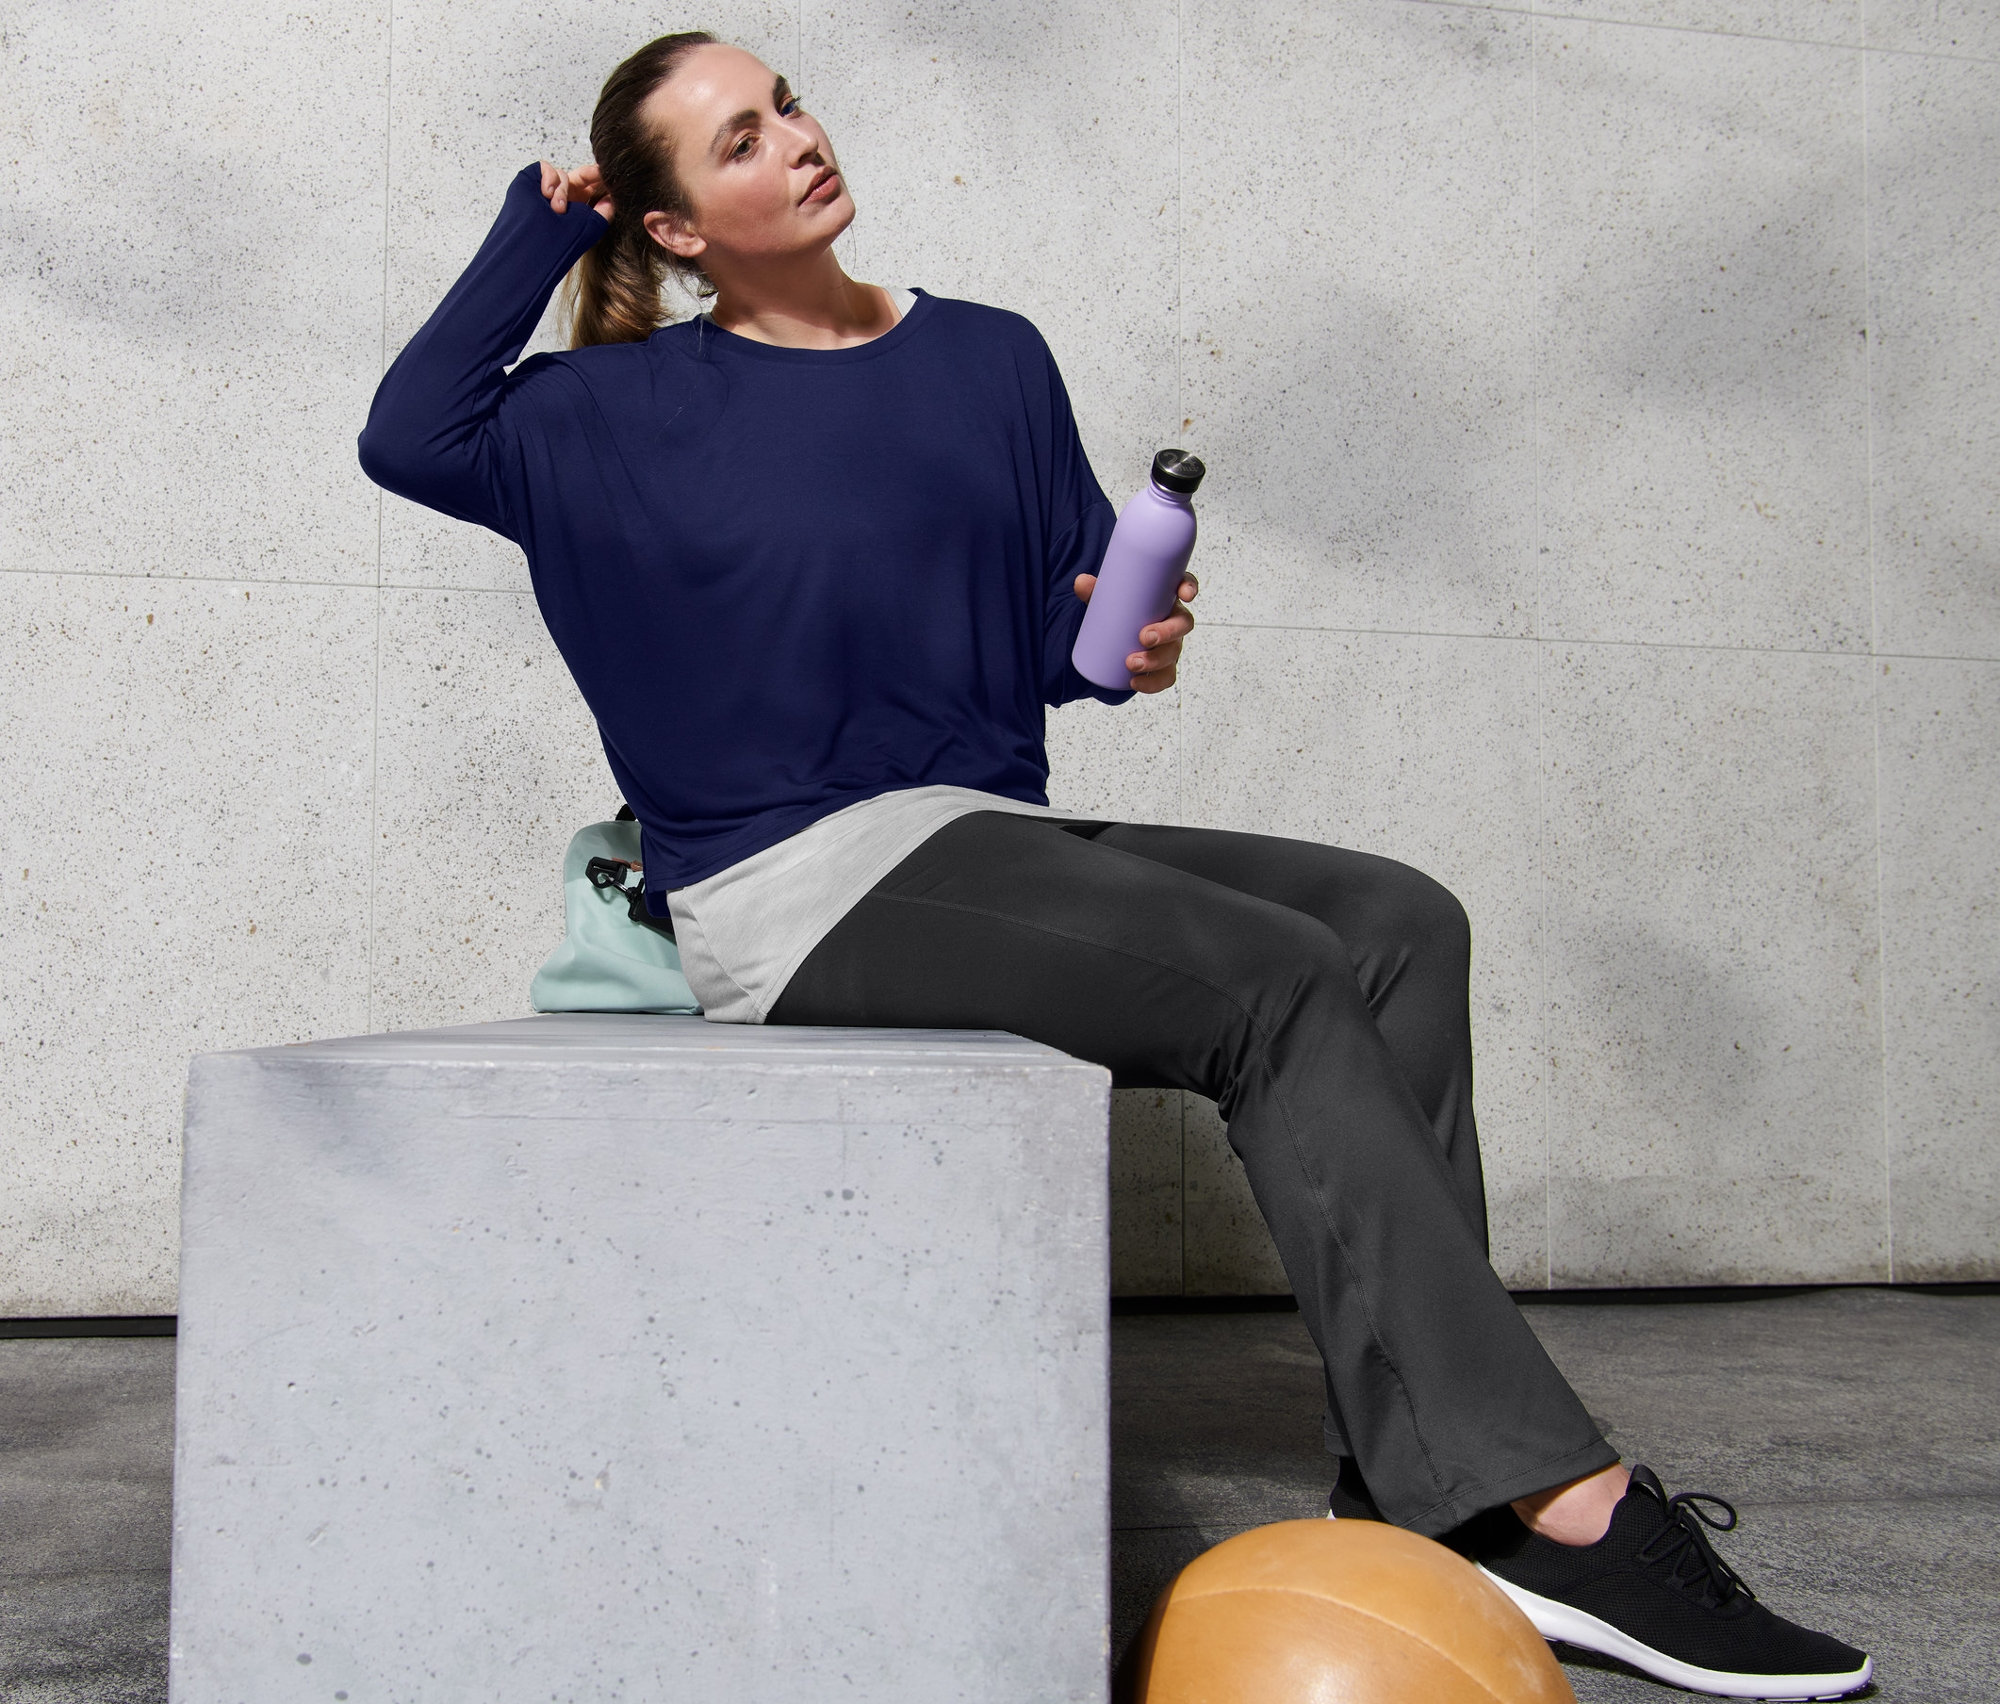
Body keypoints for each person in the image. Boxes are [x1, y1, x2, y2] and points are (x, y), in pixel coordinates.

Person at [357, 31, 1873, 1701]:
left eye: (785, 101)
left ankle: (1412, 1487)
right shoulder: (607, 412)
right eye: (735, 143)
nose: (793, 139)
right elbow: (407, 436)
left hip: (982, 839)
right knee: (1272, 982)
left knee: (1390, 922)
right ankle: (1552, 1504)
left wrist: (1122, 638)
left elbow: (1072, 639)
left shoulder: (988, 358)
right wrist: (544, 227)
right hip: (795, 887)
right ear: (679, 229)